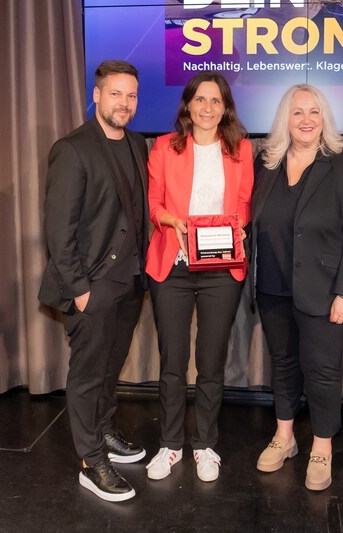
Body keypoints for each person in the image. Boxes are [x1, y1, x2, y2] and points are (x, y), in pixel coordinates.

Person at [251, 84, 343, 491]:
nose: (306, 120)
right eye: (298, 112)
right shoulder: (265, 163)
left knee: (321, 373)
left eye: (314, 112)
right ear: (285, 119)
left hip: (324, 292)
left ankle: (322, 447)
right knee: (283, 366)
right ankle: (284, 438)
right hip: (272, 287)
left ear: (325, 119)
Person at [38, 60, 149, 502]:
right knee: (86, 376)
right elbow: (58, 233)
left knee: (108, 369)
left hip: (131, 282)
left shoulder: (139, 143)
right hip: (93, 286)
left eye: (132, 95)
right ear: (97, 95)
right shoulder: (73, 148)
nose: (125, 102)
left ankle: (104, 431)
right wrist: (80, 290)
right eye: (116, 93)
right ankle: (90, 460)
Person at [144, 71, 253, 483]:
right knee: (173, 363)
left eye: (216, 101)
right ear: (188, 105)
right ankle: (171, 446)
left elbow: (243, 206)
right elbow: (153, 205)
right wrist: (174, 221)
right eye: (200, 100)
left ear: (225, 108)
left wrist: (238, 226)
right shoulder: (163, 148)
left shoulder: (240, 150)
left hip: (221, 270)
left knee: (210, 363)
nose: (208, 108)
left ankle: (206, 445)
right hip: (172, 267)